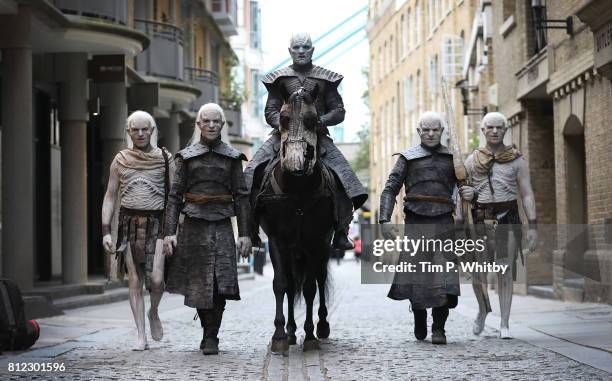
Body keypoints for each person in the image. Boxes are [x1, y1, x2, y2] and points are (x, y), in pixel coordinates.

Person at [244, 32, 367, 251]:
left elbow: (338, 111)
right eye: (297, 48)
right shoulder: (279, 79)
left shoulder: (325, 78)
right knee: (250, 173)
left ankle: (341, 230)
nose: (301, 51)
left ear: (312, 50)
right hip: (283, 135)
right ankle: (250, 230)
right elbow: (270, 110)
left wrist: (320, 121)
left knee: (345, 178)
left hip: (317, 136)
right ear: (290, 51)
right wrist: (281, 123)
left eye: (305, 47)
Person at [163, 103, 252, 355]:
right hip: (193, 225)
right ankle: (206, 330)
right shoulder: (185, 157)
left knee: (220, 280)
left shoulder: (233, 158)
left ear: (222, 125)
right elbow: (174, 197)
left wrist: (245, 233)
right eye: (207, 121)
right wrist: (169, 233)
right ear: (199, 124)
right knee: (199, 282)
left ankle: (212, 335)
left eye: (216, 121)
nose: (211, 125)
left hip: (222, 224)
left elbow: (242, 196)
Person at [379, 111, 467, 345]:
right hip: (416, 223)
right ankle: (419, 316)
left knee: (446, 279)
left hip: (444, 223)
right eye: (425, 130)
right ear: (418, 132)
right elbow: (390, 189)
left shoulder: (453, 159)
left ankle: (439, 328)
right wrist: (384, 220)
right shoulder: (407, 158)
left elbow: (465, 188)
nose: (430, 133)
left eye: (435, 129)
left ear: (442, 131)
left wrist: (470, 192)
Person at [459, 112, 537, 339]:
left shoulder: (516, 159)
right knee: (478, 273)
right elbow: (463, 197)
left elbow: (527, 194)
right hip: (480, 220)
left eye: (499, 127)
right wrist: (468, 195)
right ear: (483, 131)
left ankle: (504, 323)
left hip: (507, 220)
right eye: (490, 127)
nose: (494, 131)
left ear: (505, 129)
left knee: (505, 271)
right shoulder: (472, 160)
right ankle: (483, 309)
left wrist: (533, 225)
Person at [101, 111, 173, 351]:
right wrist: (106, 231)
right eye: (135, 129)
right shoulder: (120, 159)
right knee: (134, 280)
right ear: (128, 131)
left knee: (156, 279)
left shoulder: (165, 158)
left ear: (152, 130)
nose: (140, 134)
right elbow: (110, 196)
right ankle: (140, 335)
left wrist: (174, 231)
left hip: (158, 223)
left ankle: (153, 312)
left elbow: (174, 197)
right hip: (129, 224)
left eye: (145, 129)